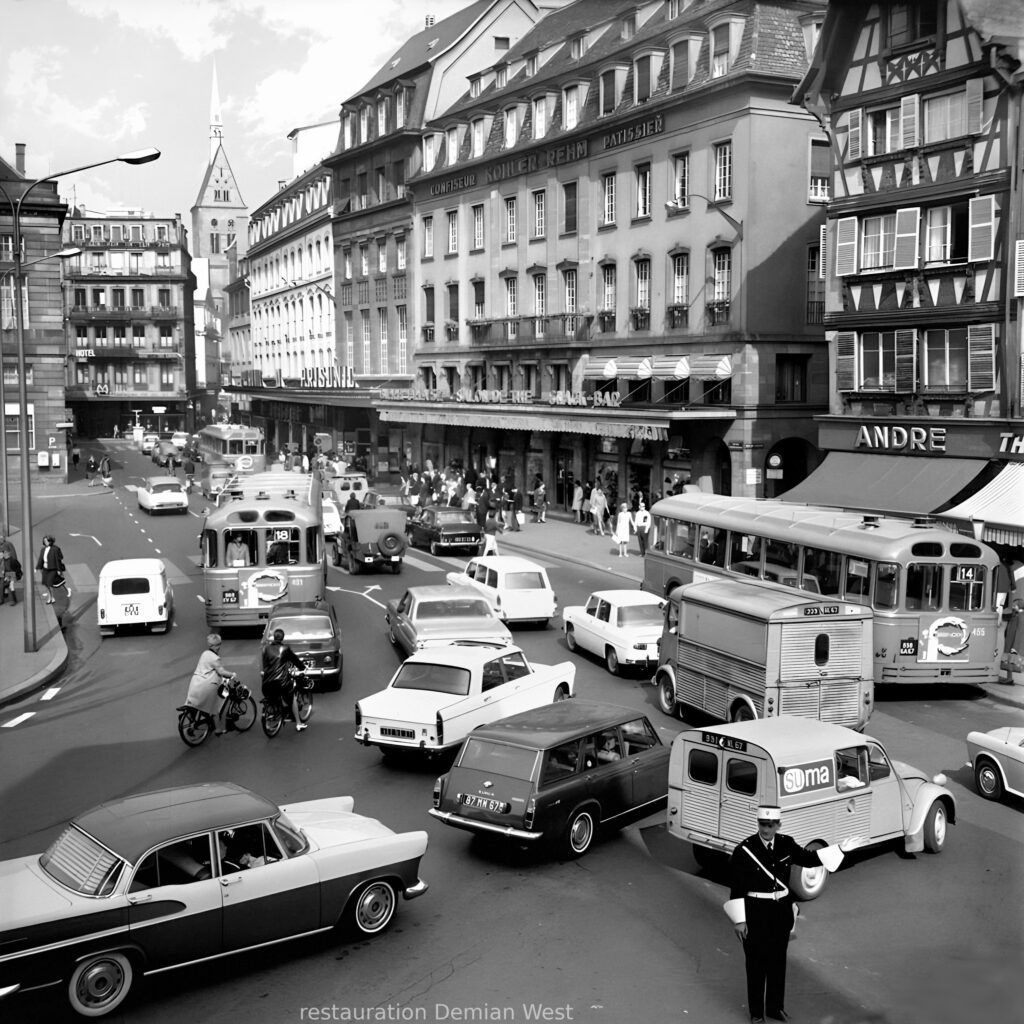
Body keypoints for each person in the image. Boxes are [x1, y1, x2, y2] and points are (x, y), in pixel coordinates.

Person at [725, 805, 866, 1023]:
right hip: (755, 912)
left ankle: (775, 1008)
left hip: (780, 912)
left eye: (771, 825)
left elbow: (809, 859)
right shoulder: (745, 850)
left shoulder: (786, 843)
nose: (766, 829)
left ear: (778, 825)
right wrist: (739, 920)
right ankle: (756, 1014)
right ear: (758, 824)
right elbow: (737, 886)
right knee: (755, 965)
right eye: (763, 824)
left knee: (777, 963)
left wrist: (841, 849)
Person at [185, 634, 237, 736]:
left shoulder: (204, 653)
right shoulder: (215, 658)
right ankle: (218, 729)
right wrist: (232, 674)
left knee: (197, 704)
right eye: (218, 645)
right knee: (215, 707)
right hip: (206, 686)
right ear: (213, 646)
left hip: (195, 683)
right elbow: (221, 671)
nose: (219, 647)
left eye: (219, 644)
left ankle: (194, 720)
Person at [261, 627, 308, 732]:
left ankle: (273, 715)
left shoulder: (265, 648)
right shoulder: (285, 649)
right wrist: (303, 668)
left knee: (272, 697)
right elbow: (295, 660)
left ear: (274, 637)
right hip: (281, 682)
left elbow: (265, 664)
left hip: (266, 683)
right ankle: (299, 723)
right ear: (283, 638)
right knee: (292, 698)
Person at [36, 535, 67, 604]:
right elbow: (41, 559)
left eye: (47, 541)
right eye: (44, 541)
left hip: (53, 568)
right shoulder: (43, 549)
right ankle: (51, 597)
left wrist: (59, 570)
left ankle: (52, 597)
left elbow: (58, 559)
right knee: (45, 584)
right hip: (45, 569)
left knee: (49, 583)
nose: (46, 542)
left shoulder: (55, 549)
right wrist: (37, 567)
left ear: (50, 541)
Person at [1001, 598, 1024, 682]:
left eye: (1014, 605)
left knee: (1010, 660)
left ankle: (1009, 678)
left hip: (1014, 641)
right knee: (1009, 660)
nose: (1013, 607)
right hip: (1013, 641)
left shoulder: (1018, 616)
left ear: (1018, 606)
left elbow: (1019, 630)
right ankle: (1009, 678)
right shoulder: (1016, 615)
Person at [0, 535, 21, 606]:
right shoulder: (8, 545)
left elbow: (15, 562)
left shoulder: (7, 546)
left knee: (10, 585)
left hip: (11, 572)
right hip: (7, 571)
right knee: (5, 583)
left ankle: (13, 600)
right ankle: (6, 594)